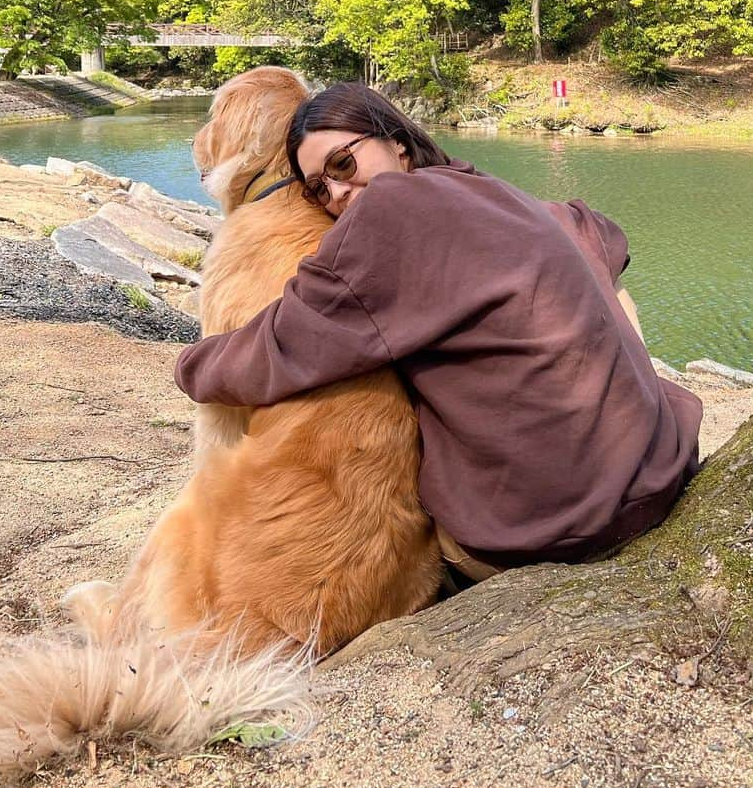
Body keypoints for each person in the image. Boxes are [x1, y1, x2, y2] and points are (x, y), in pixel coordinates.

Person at [175, 82, 702, 584]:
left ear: (397, 145)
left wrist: (190, 365)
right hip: (659, 472)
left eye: (343, 162)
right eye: (318, 188)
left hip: (561, 529)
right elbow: (605, 233)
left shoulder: (390, 208)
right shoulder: (482, 189)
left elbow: (287, 344)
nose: (338, 191)